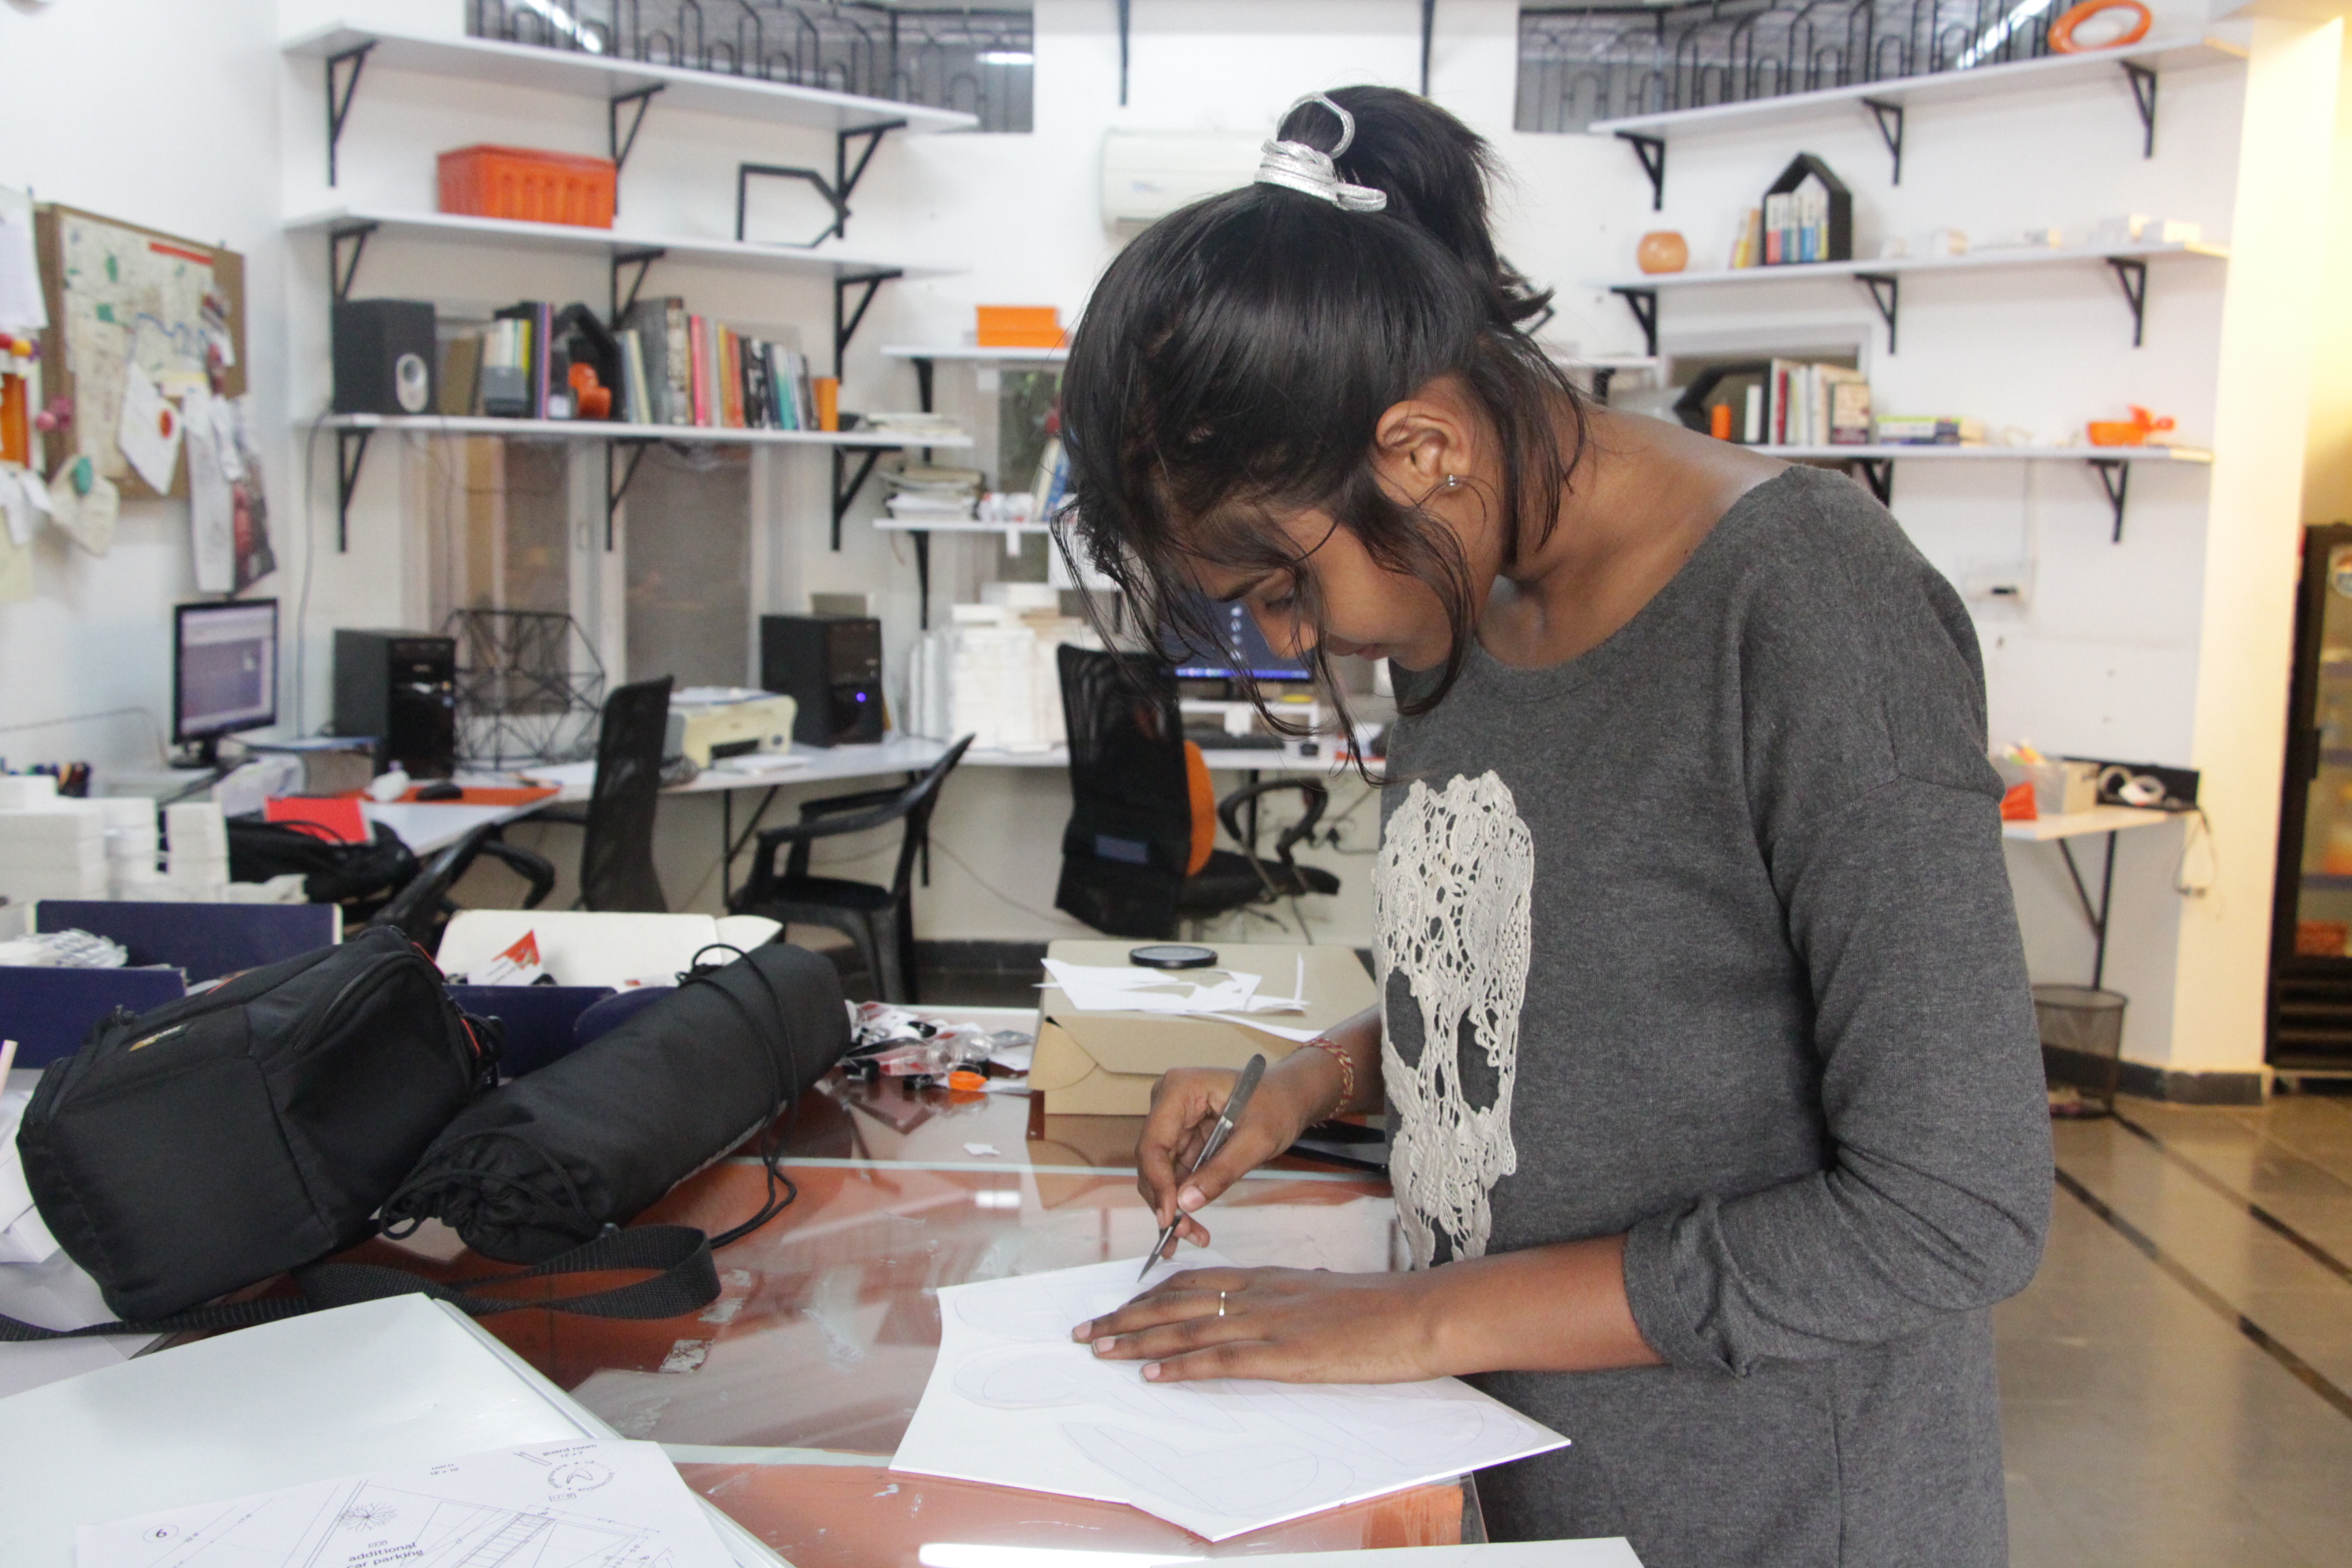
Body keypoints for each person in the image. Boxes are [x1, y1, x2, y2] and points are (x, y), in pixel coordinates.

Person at [1051, 87, 2053, 1567]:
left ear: (1420, 449)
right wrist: (1318, 1080)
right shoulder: (1464, 599)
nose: (1297, 639)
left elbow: (1952, 1210)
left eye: (1284, 590)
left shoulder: (1809, 608)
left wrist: (1415, 1319)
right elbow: (1558, 997)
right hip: (1508, 1471)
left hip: (1769, 1512)